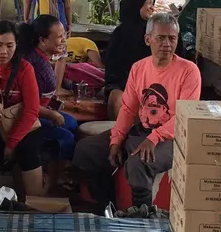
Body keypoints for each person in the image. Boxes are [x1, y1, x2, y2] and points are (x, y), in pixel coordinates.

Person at [73, 12, 201, 208]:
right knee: (86, 151)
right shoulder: (139, 68)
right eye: (161, 38)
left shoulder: (189, 71)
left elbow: (184, 117)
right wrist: (116, 140)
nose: (167, 43)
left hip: (173, 138)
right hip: (141, 131)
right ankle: (107, 207)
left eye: (172, 38)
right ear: (148, 39)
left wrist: (154, 138)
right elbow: (128, 108)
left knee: (138, 163)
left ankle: (143, 220)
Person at [0, 20, 48, 199]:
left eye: (9, 46)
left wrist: (12, 142)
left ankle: (35, 204)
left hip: (19, 124)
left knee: (29, 150)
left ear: (16, 45)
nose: (4, 52)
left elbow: (31, 110)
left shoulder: (25, 68)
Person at [19, 15, 81, 162]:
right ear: (42, 40)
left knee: (72, 123)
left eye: (64, 35)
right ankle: (52, 182)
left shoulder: (42, 58)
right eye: (59, 37)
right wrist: (52, 115)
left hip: (39, 112)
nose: (64, 40)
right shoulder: (33, 65)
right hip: (26, 118)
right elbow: (27, 105)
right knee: (66, 137)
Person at [102, 0, 155, 121]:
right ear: (136, 5)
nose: (152, 8)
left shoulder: (154, 32)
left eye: (152, 4)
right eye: (148, 3)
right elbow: (112, 66)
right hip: (122, 83)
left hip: (151, 84)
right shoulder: (120, 33)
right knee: (117, 99)